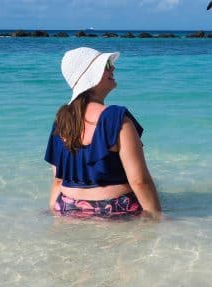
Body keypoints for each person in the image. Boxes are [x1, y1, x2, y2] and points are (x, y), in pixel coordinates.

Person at [44, 47, 162, 218]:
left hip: (67, 207)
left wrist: (53, 212)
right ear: (91, 75)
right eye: (107, 65)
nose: (112, 68)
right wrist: (158, 218)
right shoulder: (116, 118)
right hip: (114, 209)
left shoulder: (61, 121)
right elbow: (140, 181)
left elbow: (58, 181)